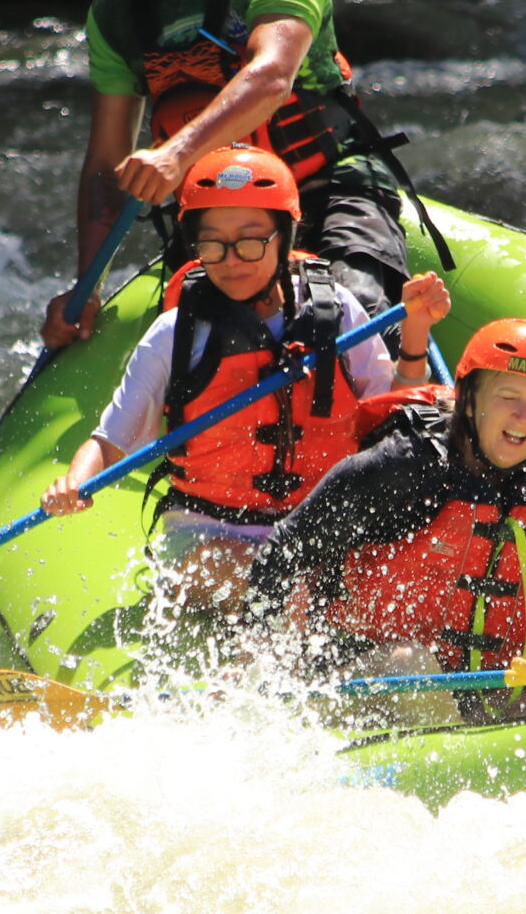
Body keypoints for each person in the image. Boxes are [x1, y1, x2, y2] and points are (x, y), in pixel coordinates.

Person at [41, 0, 433, 352]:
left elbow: (271, 76)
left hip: (329, 183)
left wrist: (175, 154)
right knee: (201, 359)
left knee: (349, 319)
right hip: (217, 211)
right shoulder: (116, 11)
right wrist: (89, 284)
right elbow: (107, 164)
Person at [42, 145, 451, 606]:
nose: (232, 259)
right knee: (285, 585)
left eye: (251, 241)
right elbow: (108, 441)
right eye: (213, 244)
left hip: (317, 526)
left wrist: (415, 330)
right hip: (209, 535)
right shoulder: (174, 333)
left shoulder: (336, 312)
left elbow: (394, 414)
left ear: (283, 237)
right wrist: (75, 480)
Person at [245, 320, 526, 694]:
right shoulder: (405, 466)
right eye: (507, 396)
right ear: (469, 400)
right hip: (362, 675)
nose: (523, 417)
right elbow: (282, 551)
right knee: (413, 665)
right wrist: (257, 659)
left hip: (497, 682)